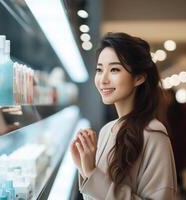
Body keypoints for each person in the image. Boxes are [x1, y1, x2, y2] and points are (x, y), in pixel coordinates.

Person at [70, 32, 177, 200]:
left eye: (114, 69)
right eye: (99, 69)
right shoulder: (107, 130)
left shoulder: (153, 134)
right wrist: (84, 167)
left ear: (139, 78)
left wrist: (91, 172)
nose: (103, 79)